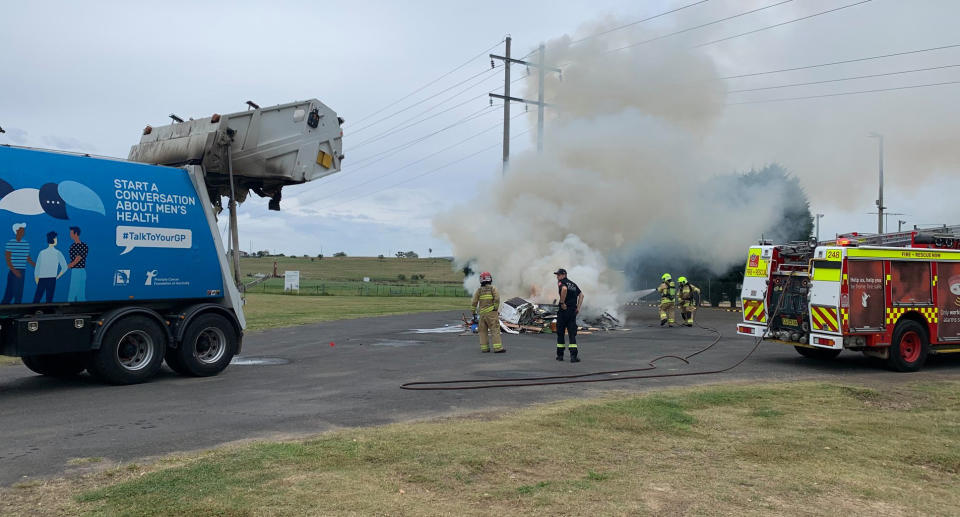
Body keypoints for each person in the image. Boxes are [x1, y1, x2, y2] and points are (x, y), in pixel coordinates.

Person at [554, 268, 584, 362]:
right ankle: (573, 357)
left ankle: (560, 356)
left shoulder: (561, 283)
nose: (557, 277)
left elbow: (564, 289)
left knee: (560, 333)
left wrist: (562, 302)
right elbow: (581, 295)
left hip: (564, 311)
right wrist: (578, 308)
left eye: (558, 275)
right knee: (571, 334)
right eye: (557, 275)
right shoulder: (573, 284)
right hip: (572, 311)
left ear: (564, 275)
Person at [2, 223, 35, 304]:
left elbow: (27, 258)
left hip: (22, 271)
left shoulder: (25, 244)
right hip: (14, 272)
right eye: (22, 229)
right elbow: (8, 259)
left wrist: (36, 266)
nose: (23, 231)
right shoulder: (10, 243)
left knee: (17, 294)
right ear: (16, 231)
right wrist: (14, 271)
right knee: (11, 294)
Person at [471, 271, 504, 353]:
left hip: (482, 314)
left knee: (482, 331)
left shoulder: (479, 290)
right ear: (490, 279)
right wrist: (495, 308)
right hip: (491, 313)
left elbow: (474, 302)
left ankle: (485, 348)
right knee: (495, 330)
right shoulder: (493, 288)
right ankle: (497, 348)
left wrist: (473, 312)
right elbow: (497, 299)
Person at [33, 231, 67, 303]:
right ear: (54, 239)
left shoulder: (42, 252)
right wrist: (57, 276)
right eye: (56, 238)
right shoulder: (58, 253)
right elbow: (65, 267)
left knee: (36, 299)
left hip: (41, 279)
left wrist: (36, 280)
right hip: (52, 279)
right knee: (49, 300)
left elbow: (37, 269)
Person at [67, 226, 88, 302]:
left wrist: (67, 267)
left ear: (76, 234)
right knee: (78, 294)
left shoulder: (83, 246)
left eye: (71, 233)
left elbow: (77, 259)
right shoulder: (72, 246)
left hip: (78, 271)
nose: (70, 235)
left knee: (74, 294)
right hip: (76, 271)